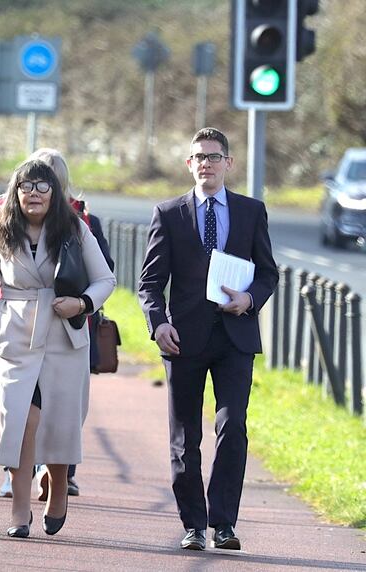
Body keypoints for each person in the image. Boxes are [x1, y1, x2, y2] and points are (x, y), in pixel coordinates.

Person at [138, 127, 278, 551]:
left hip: (235, 337)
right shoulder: (169, 213)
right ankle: (194, 525)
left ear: (228, 163)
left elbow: (268, 272)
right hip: (183, 338)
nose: (206, 164)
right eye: (198, 157)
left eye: (214, 157)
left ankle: (223, 523)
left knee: (232, 426)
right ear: (189, 164)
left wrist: (250, 299)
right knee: (185, 436)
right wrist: (158, 323)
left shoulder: (252, 211)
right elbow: (150, 282)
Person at [0, 159, 116, 538]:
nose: (34, 192)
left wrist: (81, 304)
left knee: (61, 421)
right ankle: (19, 510)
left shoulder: (75, 230)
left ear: (55, 192)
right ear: (15, 193)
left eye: (42, 186)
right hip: (13, 338)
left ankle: (59, 485)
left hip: (63, 336)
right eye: (26, 186)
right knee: (21, 422)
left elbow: (105, 279)